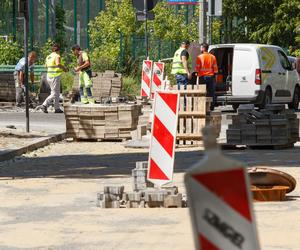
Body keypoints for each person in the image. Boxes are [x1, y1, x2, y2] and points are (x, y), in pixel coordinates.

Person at [41, 43, 68, 113]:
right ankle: (44, 105)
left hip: (49, 75)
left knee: (56, 93)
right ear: (59, 50)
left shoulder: (48, 56)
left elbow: (46, 66)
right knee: (54, 93)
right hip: (55, 76)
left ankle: (57, 108)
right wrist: (64, 68)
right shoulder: (57, 56)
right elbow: (58, 64)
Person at [195, 43, 218, 110]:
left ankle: (202, 107)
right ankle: (211, 107)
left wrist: (197, 73)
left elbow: (197, 68)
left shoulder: (199, 57)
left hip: (202, 77)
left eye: (201, 47)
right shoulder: (213, 57)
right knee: (211, 92)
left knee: (202, 92)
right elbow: (215, 68)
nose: (200, 49)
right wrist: (215, 76)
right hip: (211, 76)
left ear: (203, 48)